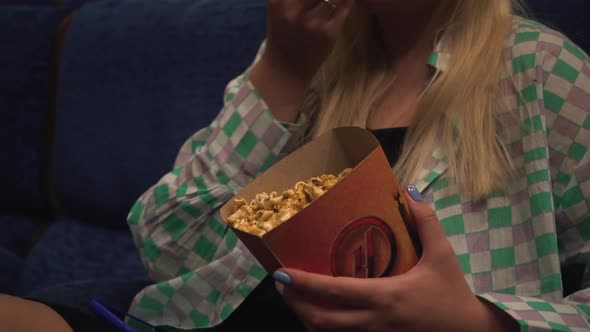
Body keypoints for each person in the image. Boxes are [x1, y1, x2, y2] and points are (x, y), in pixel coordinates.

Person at [1, 0, 588, 331]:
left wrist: (481, 322)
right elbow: (168, 246)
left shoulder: (539, 70)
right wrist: (283, 70)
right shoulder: (312, 61)